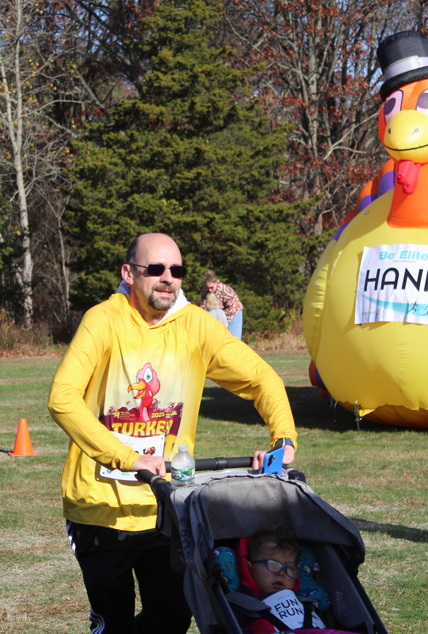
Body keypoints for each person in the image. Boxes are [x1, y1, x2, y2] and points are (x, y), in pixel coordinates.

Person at [48, 232, 298, 634]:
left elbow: (262, 378)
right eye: (156, 269)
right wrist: (128, 459)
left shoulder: (197, 326)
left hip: (167, 504)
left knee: (172, 618)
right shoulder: (103, 320)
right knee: (113, 623)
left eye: (177, 270)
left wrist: (283, 440)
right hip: (99, 507)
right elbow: (63, 399)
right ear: (129, 273)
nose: (168, 278)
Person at [201, 270, 244, 339]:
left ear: (216, 283)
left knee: (233, 339)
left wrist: (220, 316)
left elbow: (232, 307)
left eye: (211, 287)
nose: (209, 290)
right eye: (207, 288)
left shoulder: (226, 290)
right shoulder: (205, 292)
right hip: (219, 315)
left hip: (234, 313)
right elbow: (203, 307)